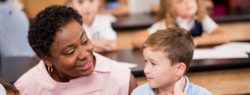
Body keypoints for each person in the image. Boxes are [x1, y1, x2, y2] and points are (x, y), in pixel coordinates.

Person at [14, 5, 137, 95]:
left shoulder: (121, 79)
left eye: (84, 41)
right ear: (46, 58)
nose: (84, 54)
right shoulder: (26, 88)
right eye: (69, 52)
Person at [132, 28, 212, 95]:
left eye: (153, 63)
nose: (146, 70)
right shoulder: (138, 93)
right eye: (146, 61)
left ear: (179, 69)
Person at [132, 0, 230, 49]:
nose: (187, 2)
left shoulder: (201, 19)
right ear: (169, 8)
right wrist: (167, 44)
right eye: (180, 0)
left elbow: (224, 37)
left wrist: (195, 41)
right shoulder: (167, 24)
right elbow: (136, 40)